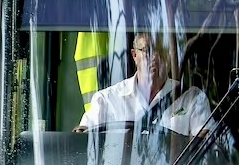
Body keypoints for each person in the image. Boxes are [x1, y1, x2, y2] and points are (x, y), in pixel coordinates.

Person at [74, 32, 212, 137]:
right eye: (147, 50)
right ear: (134, 55)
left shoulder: (193, 98)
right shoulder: (107, 100)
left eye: (162, 50)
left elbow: (206, 150)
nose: (155, 56)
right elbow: (82, 142)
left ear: (170, 55)